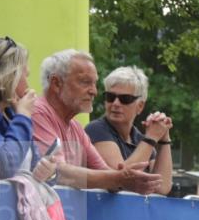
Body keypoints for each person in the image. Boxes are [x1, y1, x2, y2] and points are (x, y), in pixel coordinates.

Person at [31, 50, 162, 194]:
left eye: (94, 83)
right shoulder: (37, 113)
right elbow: (59, 172)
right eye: (85, 82)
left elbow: (107, 174)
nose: (94, 91)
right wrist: (121, 179)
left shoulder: (75, 128)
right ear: (56, 83)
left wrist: (125, 179)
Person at [0, 37, 56, 182]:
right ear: (10, 76)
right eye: (25, 76)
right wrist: (23, 116)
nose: (28, 85)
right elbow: (3, 166)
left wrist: (50, 173)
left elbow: (32, 167)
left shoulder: (11, 113)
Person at [85, 66, 173, 195]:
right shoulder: (96, 129)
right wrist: (151, 138)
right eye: (110, 97)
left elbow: (162, 187)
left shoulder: (140, 140)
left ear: (140, 106)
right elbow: (120, 178)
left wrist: (164, 139)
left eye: (125, 99)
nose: (115, 103)